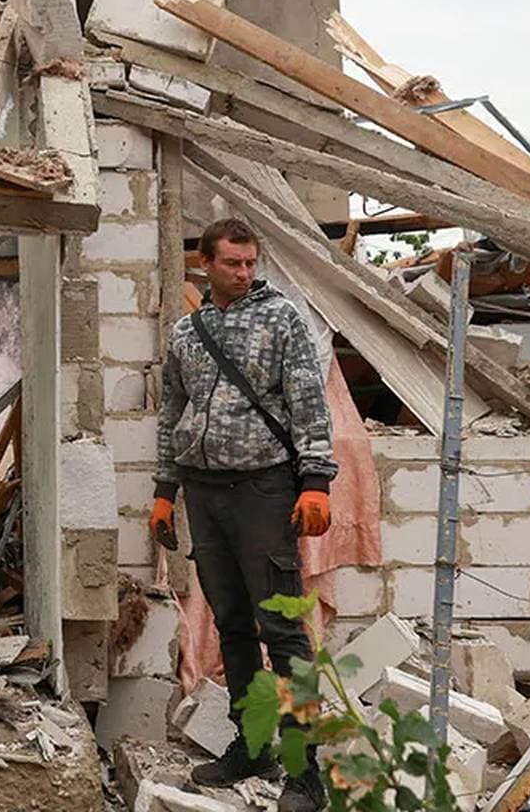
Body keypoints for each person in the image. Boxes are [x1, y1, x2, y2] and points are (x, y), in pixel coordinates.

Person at [152, 217, 335, 809]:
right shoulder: (187, 331)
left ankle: (306, 771)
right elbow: (171, 412)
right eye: (233, 263)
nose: (244, 272)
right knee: (231, 623)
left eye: (251, 263)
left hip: (264, 490)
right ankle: (250, 741)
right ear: (205, 262)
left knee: (281, 626)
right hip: (205, 493)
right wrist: (164, 490)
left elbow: (309, 401)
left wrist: (316, 482)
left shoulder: (282, 319)